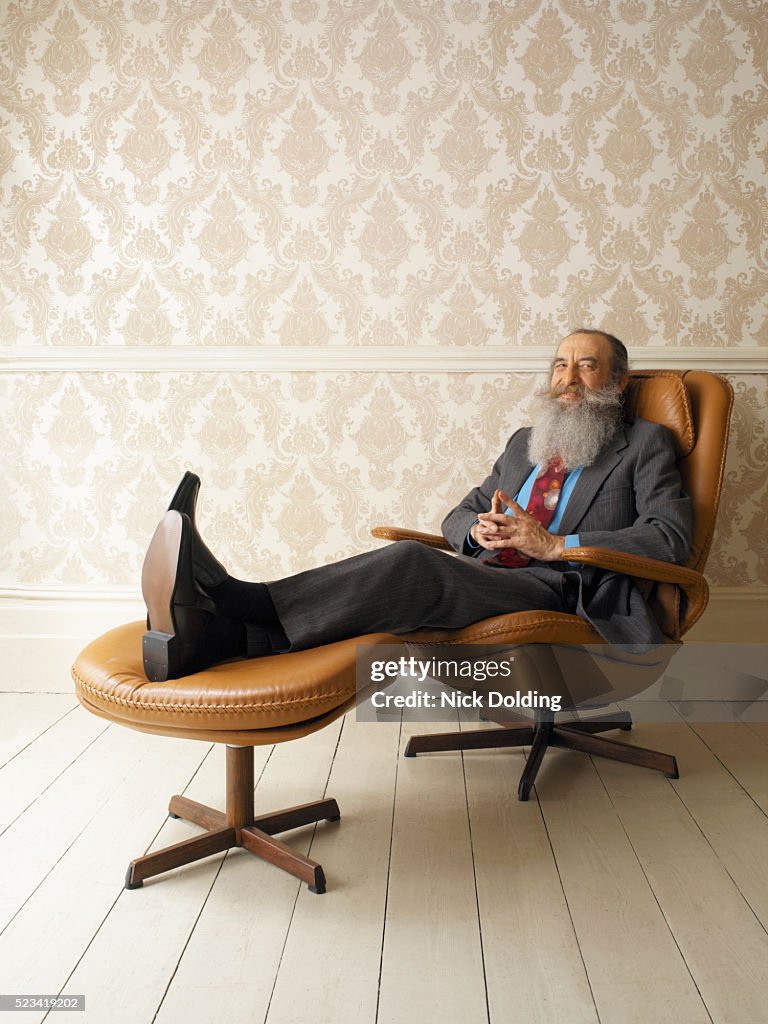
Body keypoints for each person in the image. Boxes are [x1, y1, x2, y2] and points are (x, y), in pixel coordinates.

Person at [140, 329, 692, 682]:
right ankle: (218, 637)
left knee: (412, 563)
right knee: (415, 570)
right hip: (491, 574)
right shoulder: (528, 441)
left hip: (567, 588)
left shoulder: (644, 444)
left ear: (616, 383)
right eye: (560, 366)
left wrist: (550, 544)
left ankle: (237, 597)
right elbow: (460, 513)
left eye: (587, 366)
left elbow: (670, 538)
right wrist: (479, 533)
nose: (568, 378)